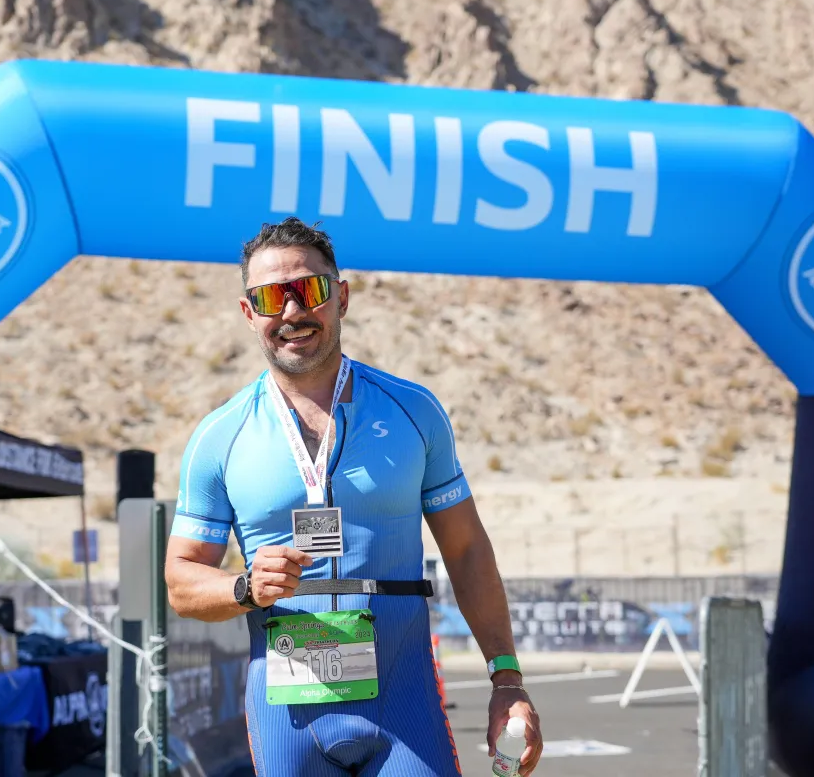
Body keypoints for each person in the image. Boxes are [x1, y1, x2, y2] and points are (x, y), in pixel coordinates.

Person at [165, 217, 543, 776]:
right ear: (250, 315)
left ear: (341, 297)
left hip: (403, 707)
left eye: (308, 290)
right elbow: (180, 581)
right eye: (271, 298)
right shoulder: (220, 436)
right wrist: (244, 586)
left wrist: (506, 681)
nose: (292, 312)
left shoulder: (415, 412)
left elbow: (467, 552)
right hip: (286, 716)